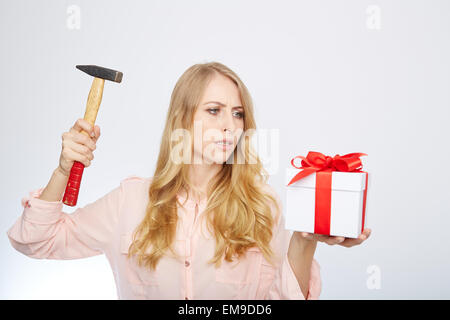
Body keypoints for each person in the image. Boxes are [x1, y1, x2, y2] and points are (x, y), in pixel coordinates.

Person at [7, 61, 371, 300]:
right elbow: (35, 242)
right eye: (213, 110)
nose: (230, 125)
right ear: (182, 120)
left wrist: (307, 242)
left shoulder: (263, 206)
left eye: (238, 114)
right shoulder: (130, 201)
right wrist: (62, 172)